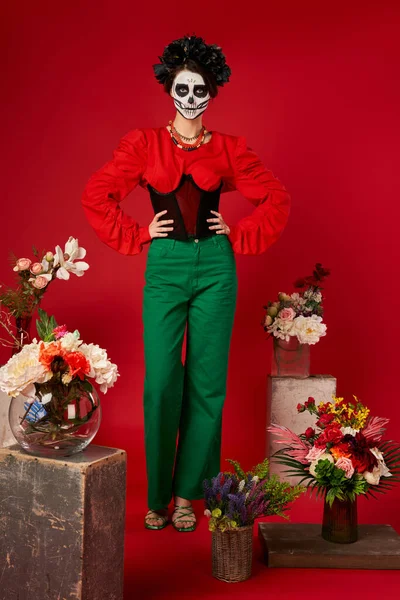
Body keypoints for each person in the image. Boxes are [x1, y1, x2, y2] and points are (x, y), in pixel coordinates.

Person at [81, 34, 291, 532]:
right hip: (166, 269)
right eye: (183, 88)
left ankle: (185, 495)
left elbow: (276, 198)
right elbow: (96, 195)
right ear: (169, 89)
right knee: (160, 384)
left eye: (200, 89)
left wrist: (239, 234)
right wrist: (136, 235)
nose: (191, 98)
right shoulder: (144, 145)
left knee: (206, 385)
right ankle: (156, 496)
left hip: (217, 268)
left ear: (211, 93)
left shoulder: (229, 149)